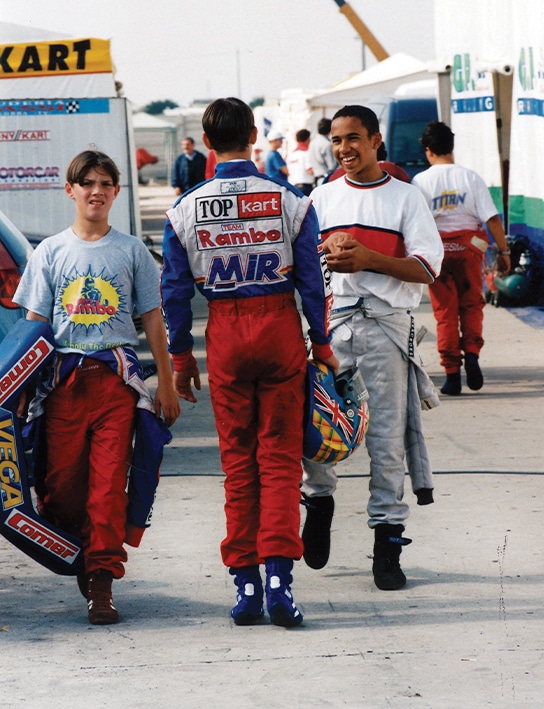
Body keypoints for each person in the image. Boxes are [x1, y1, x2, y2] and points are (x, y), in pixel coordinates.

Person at [161, 97, 338, 627]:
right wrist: (322, 345)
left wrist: (179, 357)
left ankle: (245, 585)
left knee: (238, 464)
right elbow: (312, 279)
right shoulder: (291, 200)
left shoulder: (184, 208)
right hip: (279, 323)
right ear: (254, 137)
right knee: (281, 461)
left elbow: (173, 291)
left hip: (225, 332)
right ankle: (281, 582)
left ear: (208, 144)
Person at [13, 150, 181, 625]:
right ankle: (85, 554)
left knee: (108, 487)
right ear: (70, 191)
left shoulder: (130, 252)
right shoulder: (49, 252)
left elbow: (152, 318)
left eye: (106, 183)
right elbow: (34, 326)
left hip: (115, 383)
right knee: (61, 488)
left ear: (116, 192)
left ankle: (103, 579)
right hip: (62, 384)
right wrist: (21, 388)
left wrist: (165, 383)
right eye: (86, 182)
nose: (96, 190)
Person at [300, 105, 444, 591]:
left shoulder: (407, 197)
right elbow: (303, 268)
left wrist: (369, 260)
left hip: (385, 329)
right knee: (316, 426)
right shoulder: (320, 197)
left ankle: (387, 540)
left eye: (355, 138)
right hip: (331, 330)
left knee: (385, 439)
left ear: (376, 141)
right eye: (338, 140)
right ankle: (318, 502)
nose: (345, 149)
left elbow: (428, 268)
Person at [412, 121, 511, 395]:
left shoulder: (420, 182)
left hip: (437, 252)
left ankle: (452, 374)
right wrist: (503, 251)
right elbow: (491, 218)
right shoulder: (471, 177)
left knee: (445, 312)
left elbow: (415, 224)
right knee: (472, 305)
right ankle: (472, 353)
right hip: (469, 248)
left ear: (428, 150)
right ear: (452, 147)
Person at [308, 117, 337, 185]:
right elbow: (332, 166)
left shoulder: (313, 142)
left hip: (316, 176)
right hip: (326, 178)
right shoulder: (327, 144)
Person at [287, 128, 314, 195]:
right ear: (308, 139)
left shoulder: (290, 155)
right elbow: (310, 171)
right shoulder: (307, 153)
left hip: (293, 186)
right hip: (306, 187)